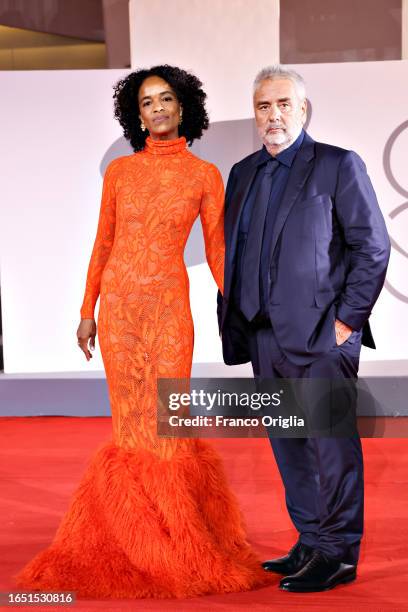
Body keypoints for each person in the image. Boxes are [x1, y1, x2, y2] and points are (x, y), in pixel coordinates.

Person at [15, 65, 270, 599]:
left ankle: (178, 543)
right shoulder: (121, 174)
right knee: (130, 430)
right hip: (119, 316)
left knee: (168, 425)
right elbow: (102, 243)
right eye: (147, 101)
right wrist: (87, 308)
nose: (156, 108)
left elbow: (220, 252)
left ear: (184, 108)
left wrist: (246, 307)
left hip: (170, 312)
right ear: (138, 115)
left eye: (166, 99)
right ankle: (130, 540)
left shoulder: (204, 174)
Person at [218, 65, 391, 592]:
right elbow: (235, 252)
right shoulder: (243, 172)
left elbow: (372, 247)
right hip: (261, 336)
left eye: (284, 105)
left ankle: (338, 553)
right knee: (288, 444)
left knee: (330, 447)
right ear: (255, 114)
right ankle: (311, 540)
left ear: (303, 109)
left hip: (321, 337)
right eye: (264, 107)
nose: (274, 115)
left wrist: (346, 322)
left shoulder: (337, 165)